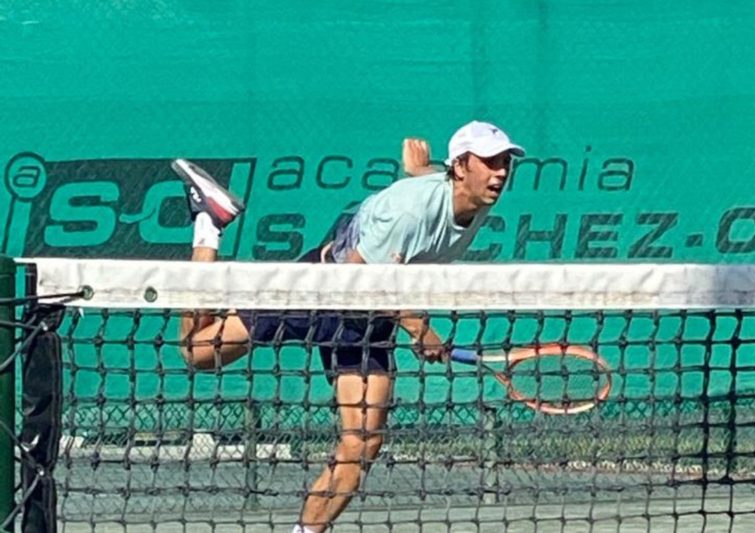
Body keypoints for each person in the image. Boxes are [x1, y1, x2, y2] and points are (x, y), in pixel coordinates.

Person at [172, 120, 525, 533]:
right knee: (199, 352)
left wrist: (420, 169)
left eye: (505, 162)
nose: (501, 172)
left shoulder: (475, 195)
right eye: (490, 162)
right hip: (319, 290)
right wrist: (420, 330)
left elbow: (437, 186)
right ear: (462, 166)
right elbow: (361, 280)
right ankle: (208, 223)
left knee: (363, 444)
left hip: (369, 322)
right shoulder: (407, 212)